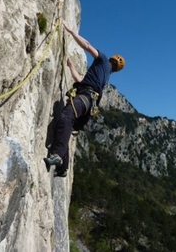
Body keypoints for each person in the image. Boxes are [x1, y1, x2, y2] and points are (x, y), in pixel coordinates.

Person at [44, 21, 125, 177]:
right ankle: (63, 168)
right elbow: (81, 81)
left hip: (85, 98)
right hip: (87, 104)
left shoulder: (102, 60)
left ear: (111, 60)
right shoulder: (105, 76)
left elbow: (87, 46)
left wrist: (72, 32)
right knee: (67, 125)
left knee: (66, 117)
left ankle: (57, 156)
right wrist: (70, 67)